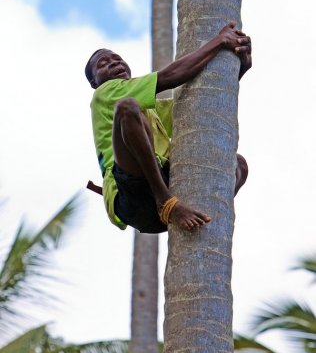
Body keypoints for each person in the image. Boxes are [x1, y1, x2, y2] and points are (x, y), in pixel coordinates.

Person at [85, 21, 251, 234]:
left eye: (118, 59)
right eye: (103, 64)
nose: (114, 63)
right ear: (94, 82)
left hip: (162, 196)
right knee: (127, 108)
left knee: (239, 165)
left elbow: (199, 106)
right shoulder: (104, 93)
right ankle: (166, 202)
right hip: (134, 197)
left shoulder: (151, 111)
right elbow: (171, 77)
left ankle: (210, 212)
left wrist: (238, 68)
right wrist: (220, 41)